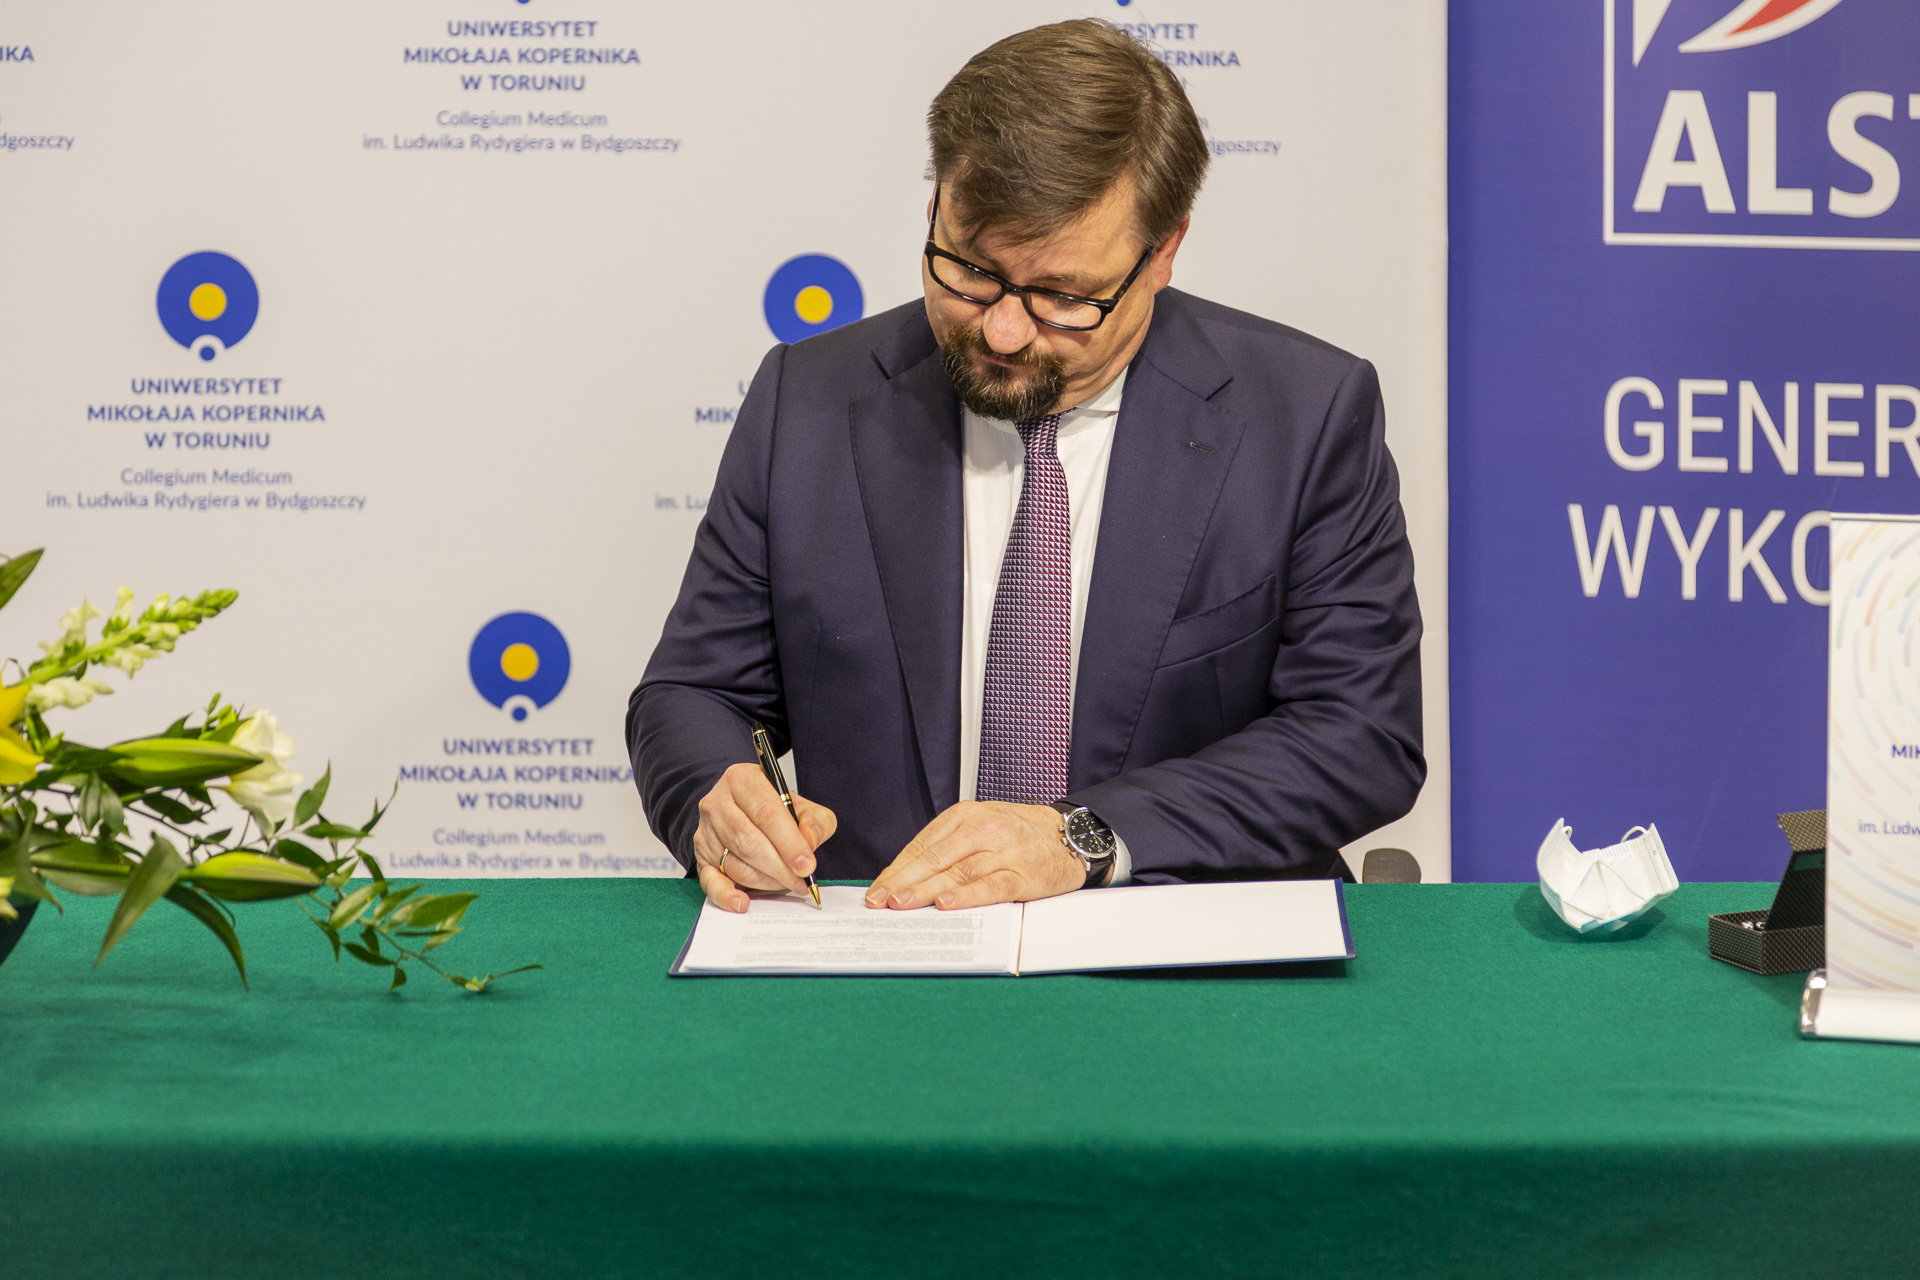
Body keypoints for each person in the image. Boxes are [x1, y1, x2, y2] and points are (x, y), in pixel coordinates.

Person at [629, 18, 1423, 915]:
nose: (1003, 332)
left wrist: (1082, 837)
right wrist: (719, 795)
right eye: (968, 270)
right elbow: (694, 692)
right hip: (888, 948)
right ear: (936, 202)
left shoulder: (1305, 417)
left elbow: (1361, 735)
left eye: (1061, 295)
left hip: (1183, 952)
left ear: (1164, 252)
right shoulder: (805, 403)